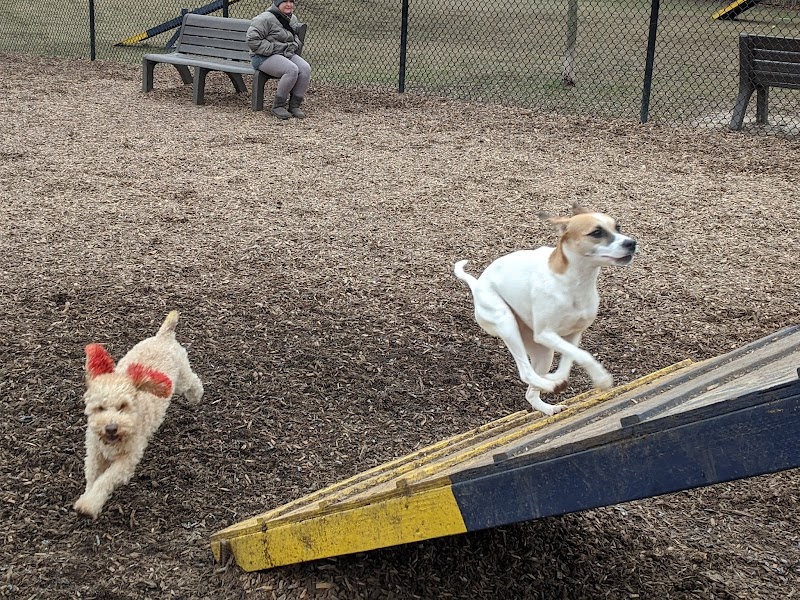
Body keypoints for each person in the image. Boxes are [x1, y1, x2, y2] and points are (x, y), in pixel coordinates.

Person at [247, 0, 311, 120]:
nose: (289, 4)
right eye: (284, 1)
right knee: (291, 69)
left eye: (291, 1)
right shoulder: (264, 18)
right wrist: (274, 48)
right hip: (262, 57)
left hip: (285, 53)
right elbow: (252, 40)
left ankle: (294, 105)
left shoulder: (292, 18)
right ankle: (278, 106)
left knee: (305, 68)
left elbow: (295, 38)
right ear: (277, 3)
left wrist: (294, 45)